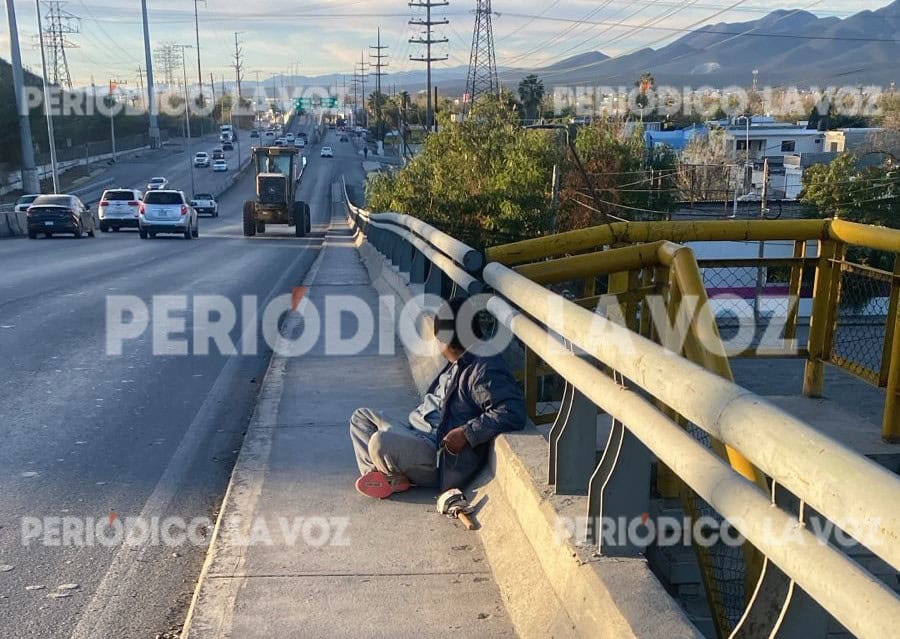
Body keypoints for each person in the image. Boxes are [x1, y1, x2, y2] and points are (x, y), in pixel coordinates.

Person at [350, 297, 526, 499]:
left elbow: (512, 411)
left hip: (434, 452)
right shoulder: (460, 360)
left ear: (449, 340)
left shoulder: (483, 369)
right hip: (413, 431)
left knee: (379, 442)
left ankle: (387, 477)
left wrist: (466, 432)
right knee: (360, 417)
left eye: (439, 340)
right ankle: (380, 477)